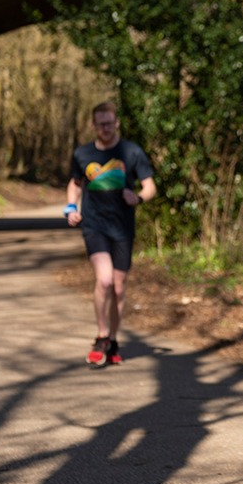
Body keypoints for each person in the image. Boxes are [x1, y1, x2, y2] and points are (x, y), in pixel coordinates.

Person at [65, 101, 157, 366]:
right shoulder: (82, 153)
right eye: (100, 124)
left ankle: (114, 338)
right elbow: (75, 183)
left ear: (116, 123)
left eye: (109, 123)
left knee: (118, 288)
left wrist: (137, 197)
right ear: (93, 126)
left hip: (123, 227)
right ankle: (101, 335)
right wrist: (71, 207)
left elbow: (150, 186)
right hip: (94, 225)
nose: (105, 128)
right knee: (104, 280)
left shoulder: (131, 152)